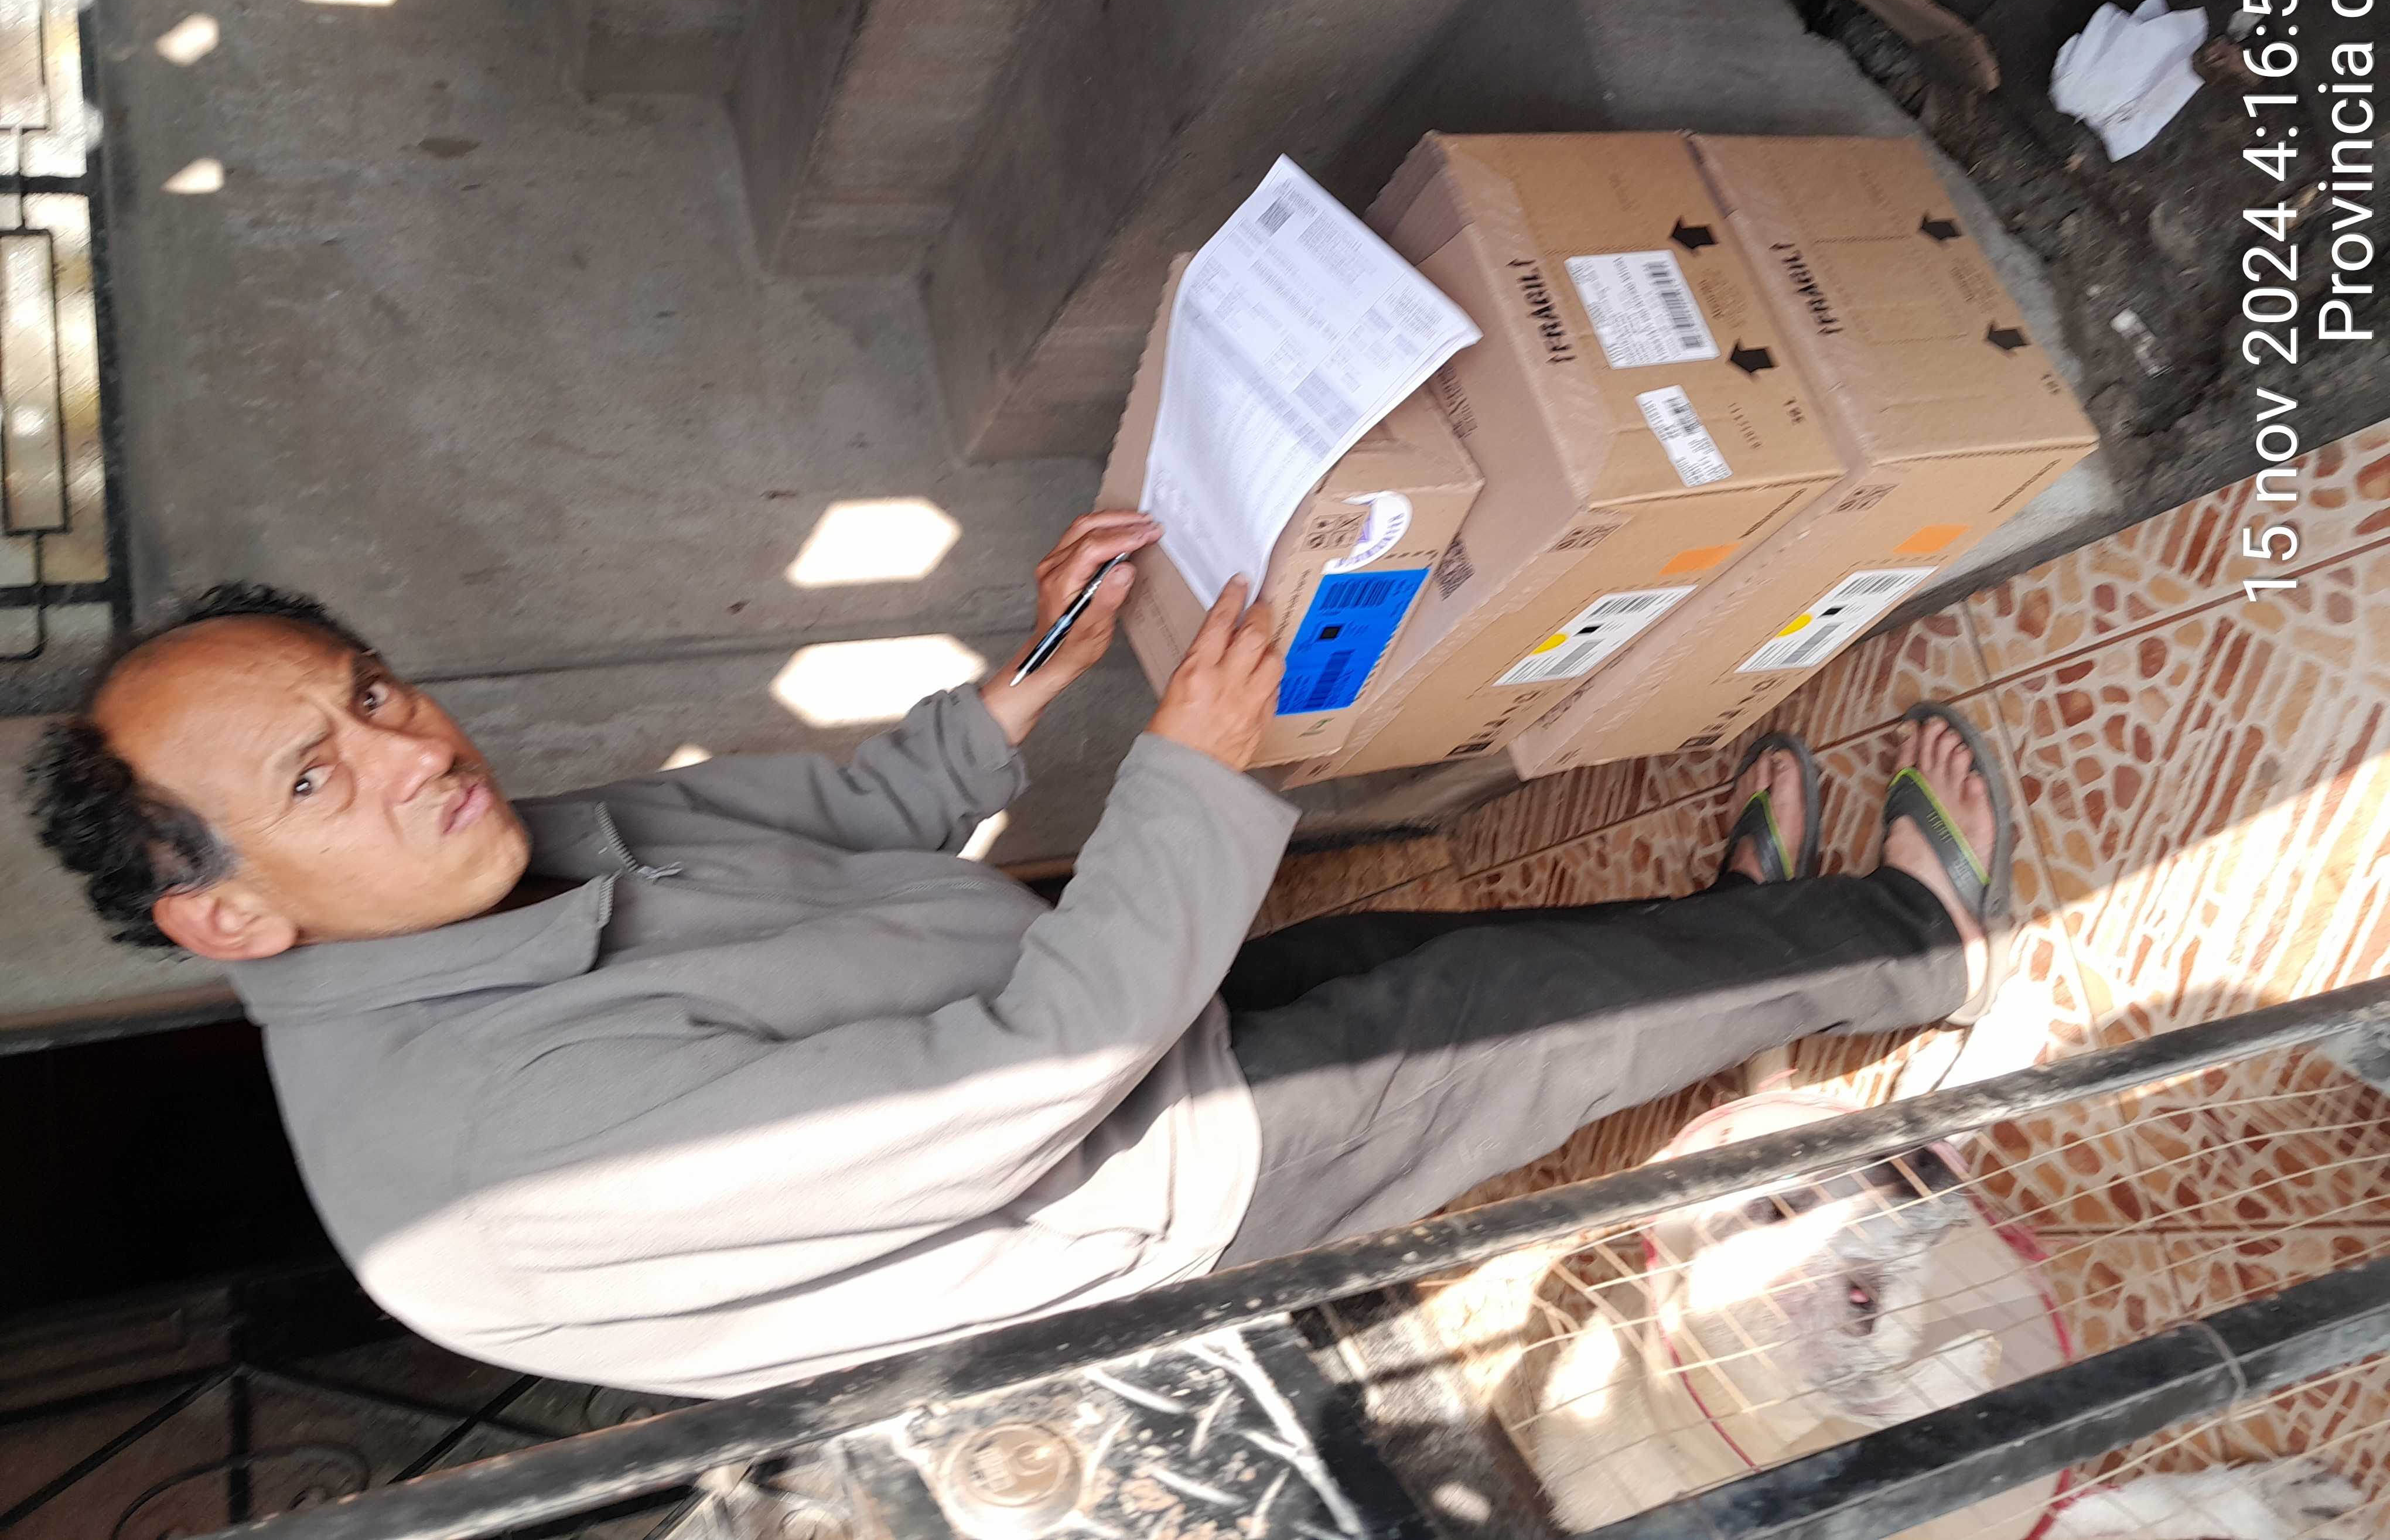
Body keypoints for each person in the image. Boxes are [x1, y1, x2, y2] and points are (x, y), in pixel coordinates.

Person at [25, 510, 2010, 1398]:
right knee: (1508, 1025)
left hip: (1100, 1008)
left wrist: (1048, 661)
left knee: (1433, 950)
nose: (414, 750)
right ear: (230, 913)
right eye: (320, 770)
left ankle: (1761, 944)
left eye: (370, 689)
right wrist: (1190, 768)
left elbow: (843, 814)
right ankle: (1916, 939)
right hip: (1134, 1166)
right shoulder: (486, 1153)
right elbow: (1025, 1083)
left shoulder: (470, 857)